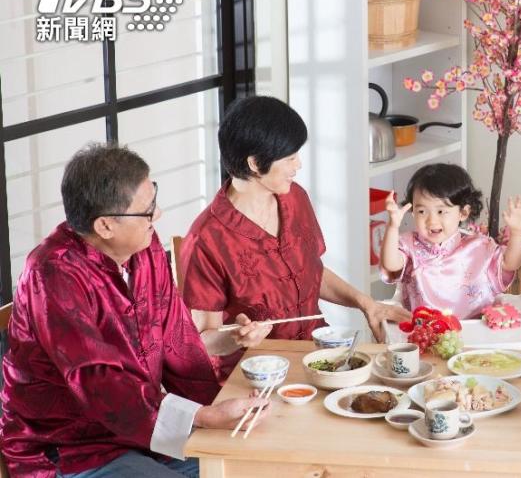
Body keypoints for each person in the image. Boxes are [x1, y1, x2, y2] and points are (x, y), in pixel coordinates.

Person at [0, 144, 267, 478]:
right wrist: (202, 418)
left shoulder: (144, 245)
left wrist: (217, 410)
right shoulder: (52, 275)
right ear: (105, 227)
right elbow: (101, 383)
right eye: (147, 210)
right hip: (72, 448)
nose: (158, 215)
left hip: (144, 430)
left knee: (255, 462)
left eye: (154, 199)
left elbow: (176, 341)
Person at [180, 96, 410, 383]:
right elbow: (203, 338)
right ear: (254, 163)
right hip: (256, 374)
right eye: (290, 158)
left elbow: (312, 272)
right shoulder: (206, 239)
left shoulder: (294, 197)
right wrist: (238, 338)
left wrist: (367, 303)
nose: (298, 165)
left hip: (318, 354)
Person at [379, 163, 521, 319]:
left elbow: (511, 264)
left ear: (463, 213)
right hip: (425, 333)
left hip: (476, 332)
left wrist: (517, 232)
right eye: (422, 211)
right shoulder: (409, 244)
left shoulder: (479, 246)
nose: (432, 220)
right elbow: (391, 264)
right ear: (412, 212)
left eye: (441, 211)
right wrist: (392, 226)